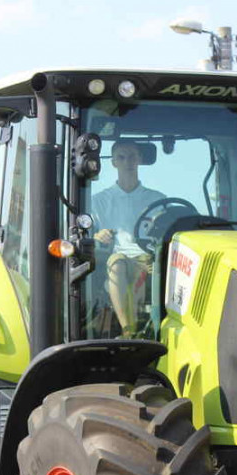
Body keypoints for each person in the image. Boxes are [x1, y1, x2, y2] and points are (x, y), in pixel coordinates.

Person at [91, 140, 165, 337]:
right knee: (118, 263)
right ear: (114, 162)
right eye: (121, 157)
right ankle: (129, 331)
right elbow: (88, 234)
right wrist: (97, 235)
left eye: (132, 156)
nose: (127, 162)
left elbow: (166, 233)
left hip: (149, 260)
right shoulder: (98, 201)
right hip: (117, 259)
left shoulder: (157, 199)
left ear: (139, 159)